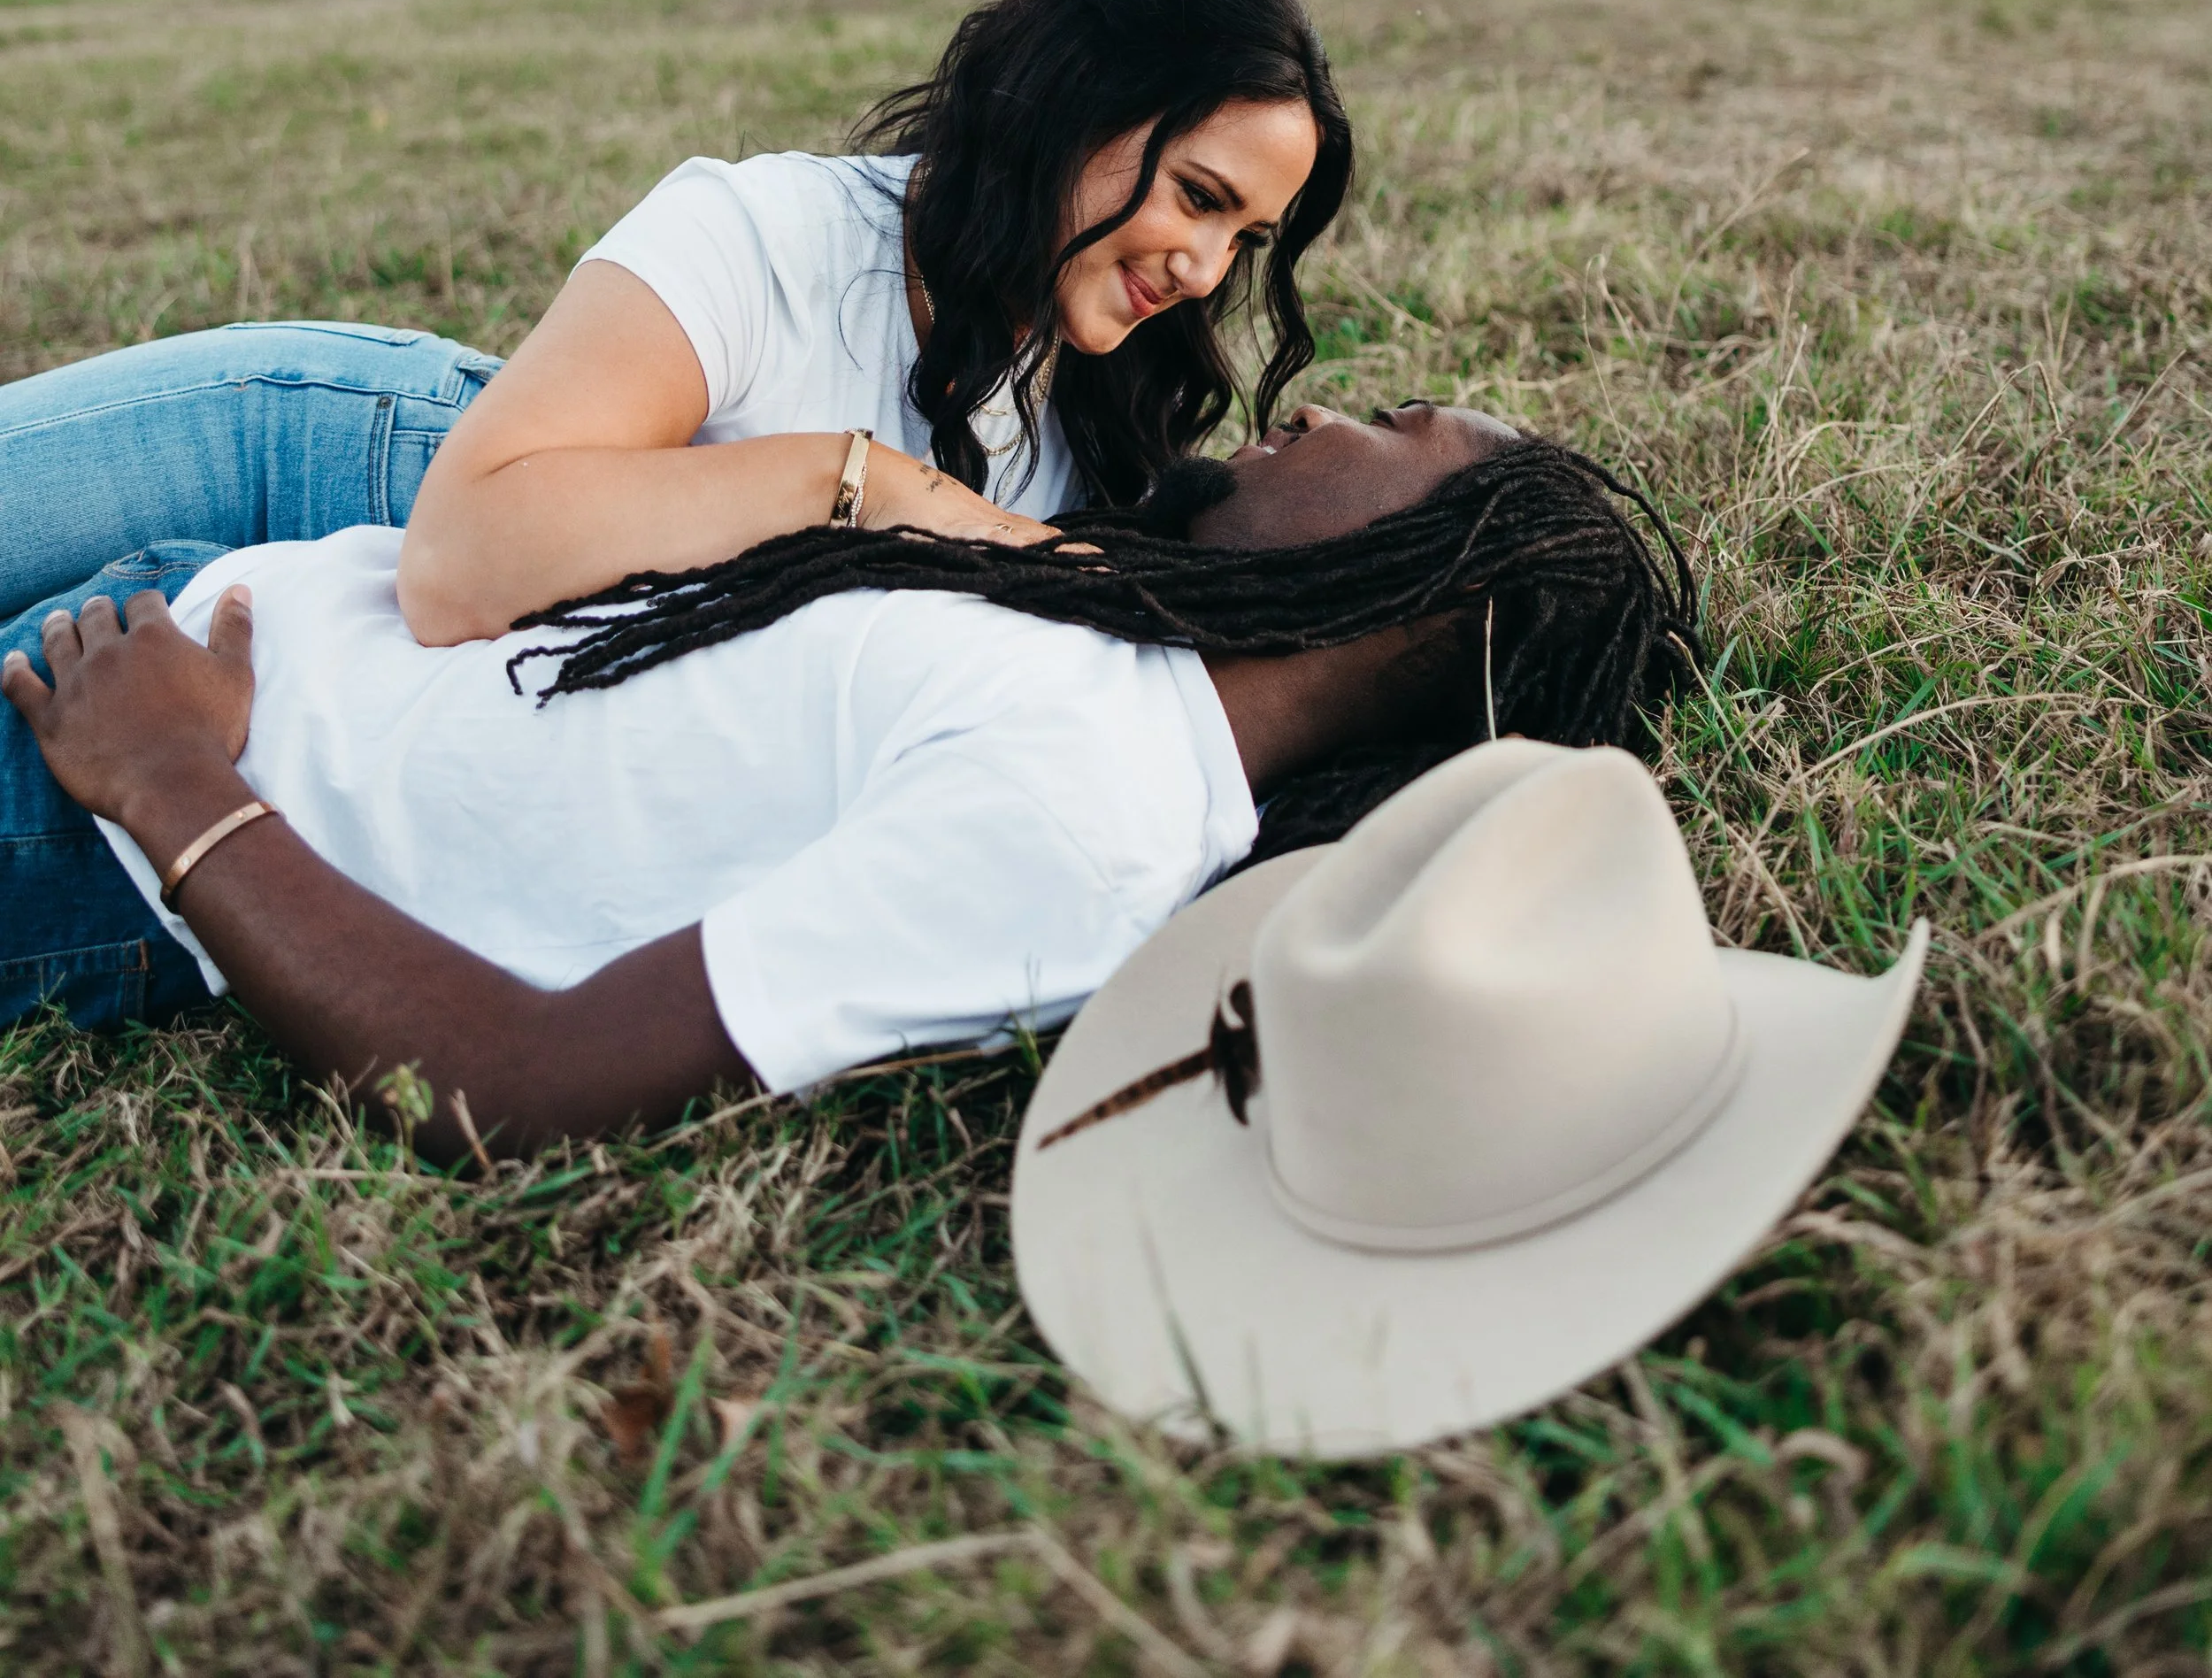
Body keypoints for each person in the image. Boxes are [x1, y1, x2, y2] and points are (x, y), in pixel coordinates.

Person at [0, 404, 1701, 1158]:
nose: (1322, 406)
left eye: (1391, 426)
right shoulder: (1096, 632)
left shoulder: (1088, 821)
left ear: (1426, 586)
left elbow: (516, 1085)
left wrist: (168, 784)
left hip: (95, 817)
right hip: (199, 619)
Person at [0, 0, 1353, 640]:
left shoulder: (1078, 429)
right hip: (323, 451)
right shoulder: (772, 229)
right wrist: (864, 484)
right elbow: (464, 559)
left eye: (1248, 239)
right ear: (1078, 107)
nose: (1207, 267)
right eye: (1198, 197)